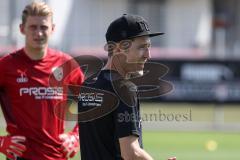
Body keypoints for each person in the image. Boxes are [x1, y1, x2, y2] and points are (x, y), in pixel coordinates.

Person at [78, 14, 173, 160]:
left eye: (149, 47)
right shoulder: (124, 89)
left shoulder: (88, 86)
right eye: (142, 47)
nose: (148, 55)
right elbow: (131, 153)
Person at [0, 2, 84, 160]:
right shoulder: (5, 66)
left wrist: (77, 136)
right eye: (33, 27)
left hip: (58, 156)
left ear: (52, 29)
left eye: (43, 27)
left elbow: (94, 103)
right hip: (20, 157)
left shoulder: (67, 65)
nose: (38, 33)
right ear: (22, 29)